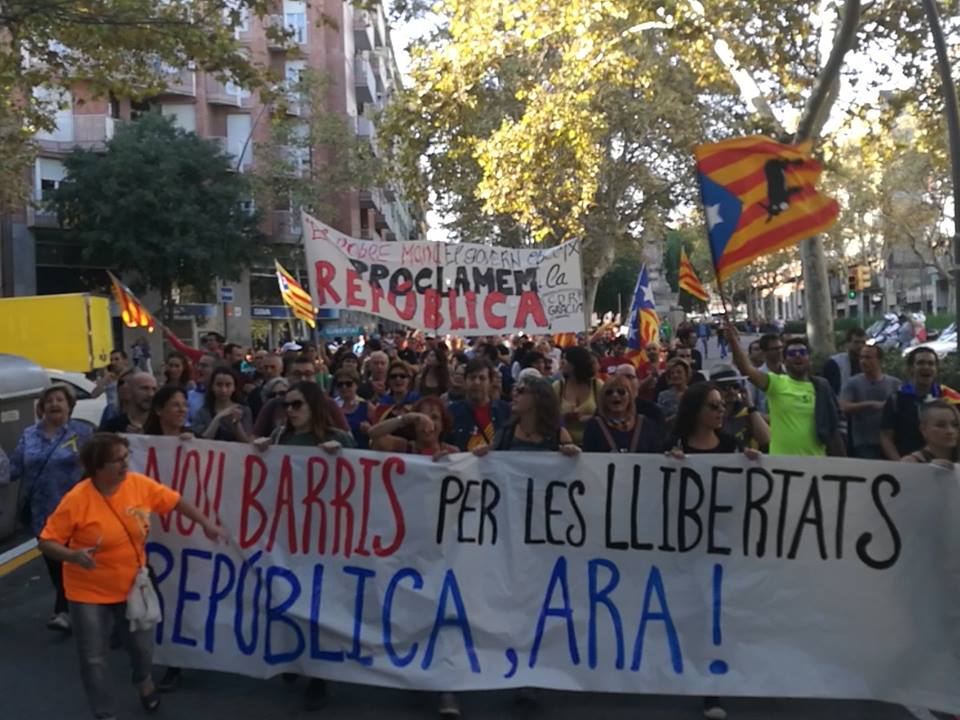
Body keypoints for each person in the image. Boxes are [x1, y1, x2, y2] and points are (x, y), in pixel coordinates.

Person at [38, 433, 224, 720]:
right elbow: (47, 541)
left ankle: (143, 680)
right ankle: (104, 713)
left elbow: (174, 501)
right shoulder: (76, 499)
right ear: (98, 467)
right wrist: (73, 556)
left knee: (141, 648)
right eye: (117, 460)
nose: (125, 464)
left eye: (126, 457)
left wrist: (206, 524)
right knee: (93, 658)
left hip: (132, 585)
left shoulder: (139, 485)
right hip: (86, 591)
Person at [10, 385, 93, 632]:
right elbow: (15, 468)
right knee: (55, 563)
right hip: (41, 512)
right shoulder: (30, 435)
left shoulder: (83, 433)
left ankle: (65, 610)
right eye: (50, 401)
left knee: (71, 561)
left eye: (60, 400)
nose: (55, 404)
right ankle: (69, 606)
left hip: (76, 510)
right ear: (42, 407)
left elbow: (99, 464)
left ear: (70, 405)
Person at [726, 326, 843, 456]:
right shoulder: (776, 383)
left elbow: (832, 427)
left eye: (802, 352)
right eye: (792, 353)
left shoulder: (822, 387)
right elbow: (746, 369)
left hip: (815, 464)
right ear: (785, 360)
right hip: (782, 466)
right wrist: (733, 342)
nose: (798, 356)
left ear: (810, 360)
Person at [477, 374, 579, 454]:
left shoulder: (558, 434)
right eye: (515, 390)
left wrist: (572, 452)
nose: (514, 394)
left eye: (521, 391)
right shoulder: (506, 433)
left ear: (538, 398)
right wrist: (484, 452)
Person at [253, 356, 349, 438]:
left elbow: (348, 439)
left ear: (315, 377)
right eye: (297, 374)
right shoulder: (273, 405)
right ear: (287, 376)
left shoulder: (328, 404)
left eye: (308, 374)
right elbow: (254, 439)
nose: (303, 379)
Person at [880, 346, 943, 460]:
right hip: (906, 464)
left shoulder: (947, 398)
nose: (926, 367)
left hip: (942, 465)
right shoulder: (896, 399)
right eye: (920, 363)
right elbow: (886, 437)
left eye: (931, 363)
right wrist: (900, 463)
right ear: (911, 368)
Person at [839, 344, 901, 459]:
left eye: (868, 358)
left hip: (891, 442)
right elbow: (843, 406)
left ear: (879, 360)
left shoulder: (894, 383)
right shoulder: (852, 383)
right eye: (861, 357)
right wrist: (871, 405)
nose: (863, 361)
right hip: (864, 443)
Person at [582, 375, 662, 453]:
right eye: (609, 392)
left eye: (621, 392)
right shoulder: (594, 426)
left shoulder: (646, 425)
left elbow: (657, 454)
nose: (615, 395)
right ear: (604, 399)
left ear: (630, 396)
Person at [449, 358, 511, 451]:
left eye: (482, 378)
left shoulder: (505, 411)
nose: (476, 382)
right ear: (465, 381)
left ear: (490, 382)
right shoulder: (451, 412)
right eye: (472, 377)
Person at [369, 396, 460, 457]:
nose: (427, 422)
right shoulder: (403, 447)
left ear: (443, 424)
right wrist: (405, 418)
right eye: (421, 417)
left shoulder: (452, 453)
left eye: (434, 417)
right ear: (414, 424)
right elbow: (373, 434)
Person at [710, 365, 770, 451]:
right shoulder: (707, 413)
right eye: (725, 387)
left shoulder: (746, 413)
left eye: (735, 386)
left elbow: (766, 440)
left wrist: (750, 406)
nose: (731, 391)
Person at [553, 346, 602, 446]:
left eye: (565, 360)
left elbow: (608, 413)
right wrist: (564, 417)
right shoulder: (558, 387)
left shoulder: (597, 385)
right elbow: (548, 415)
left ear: (574, 364)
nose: (561, 363)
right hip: (563, 444)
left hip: (593, 444)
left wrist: (590, 418)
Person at [190, 368, 253, 443]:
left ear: (234, 387)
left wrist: (236, 423)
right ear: (212, 387)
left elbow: (246, 442)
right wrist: (217, 419)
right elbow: (201, 441)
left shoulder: (244, 411)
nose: (223, 390)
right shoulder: (203, 412)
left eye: (228, 385)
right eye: (219, 385)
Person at [901, 400, 959, 466]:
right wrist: (928, 470)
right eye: (941, 425)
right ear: (923, 429)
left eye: (955, 424)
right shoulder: (911, 463)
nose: (950, 431)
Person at [334, 369, 373, 449]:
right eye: (340, 384)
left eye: (348, 384)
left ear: (356, 385)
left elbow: (379, 432)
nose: (344, 387)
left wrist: (369, 429)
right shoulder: (331, 407)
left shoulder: (367, 406)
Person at [823, 328, 866, 396]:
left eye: (863, 342)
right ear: (847, 343)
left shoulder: (869, 363)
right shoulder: (835, 363)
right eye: (856, 342)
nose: (860, 346)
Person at [753, 333, 785, 416]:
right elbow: (751, 406)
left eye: (781, 347)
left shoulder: (790, 373)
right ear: (764, 352)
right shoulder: (756, 376)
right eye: (775, 349)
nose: (780, 351)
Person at [656, 357, 692, 427]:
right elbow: (660, 421)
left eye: (679, 372)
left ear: (686, 374)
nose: (675, 375)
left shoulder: (694, 393)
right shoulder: (663, 396)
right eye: (672, 373)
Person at [187, 352, 220, 423]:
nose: (199, 369)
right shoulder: (189, 396)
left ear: (216, 370)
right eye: (199, 365)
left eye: (204, 366)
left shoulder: (225, 396)